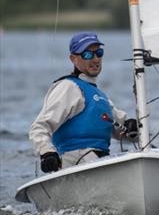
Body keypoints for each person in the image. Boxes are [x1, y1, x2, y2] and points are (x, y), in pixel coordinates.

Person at [29, 32, 139, 173]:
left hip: (100, 162)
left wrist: (132, 127)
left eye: (99, 53)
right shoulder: (68, 87)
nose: (95, 59)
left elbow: (126, 134)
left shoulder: (101, 97)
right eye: (87, 55)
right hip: (74, 165)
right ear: (73, 59)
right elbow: (39, 127)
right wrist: (47, 153)